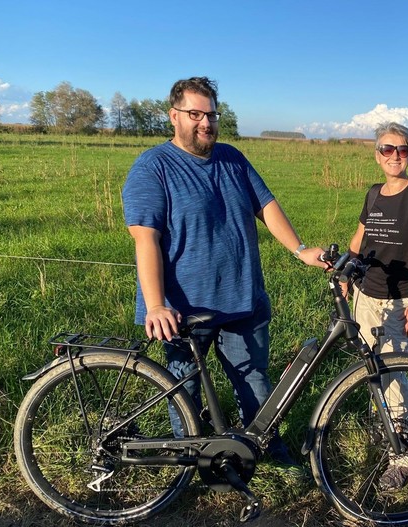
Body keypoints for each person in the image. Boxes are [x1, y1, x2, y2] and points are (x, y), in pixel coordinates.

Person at [122, 76, 326, 466]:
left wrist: (300, 249)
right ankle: (189, 461)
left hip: (241, 298)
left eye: (212, 114)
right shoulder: (153, 167)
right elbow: (144, 239)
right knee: (185, 389)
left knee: (254, 379)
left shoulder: (232, 158)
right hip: (183, 308)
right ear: (173, 116)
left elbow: (265, 205)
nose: (205, 122)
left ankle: (265, 449)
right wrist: (155, 305)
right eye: (194, 114)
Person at [346, 122, 408, 490]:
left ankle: (401, 455)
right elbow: (359, 237)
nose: (395, 156)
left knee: (393, 375)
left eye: (402, 150)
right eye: (388, 149)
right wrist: (344, 271)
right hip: (365, 295)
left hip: (400, 299)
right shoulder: (373, 194)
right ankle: (381, 426)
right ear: (377, 154)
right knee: (371, 368)